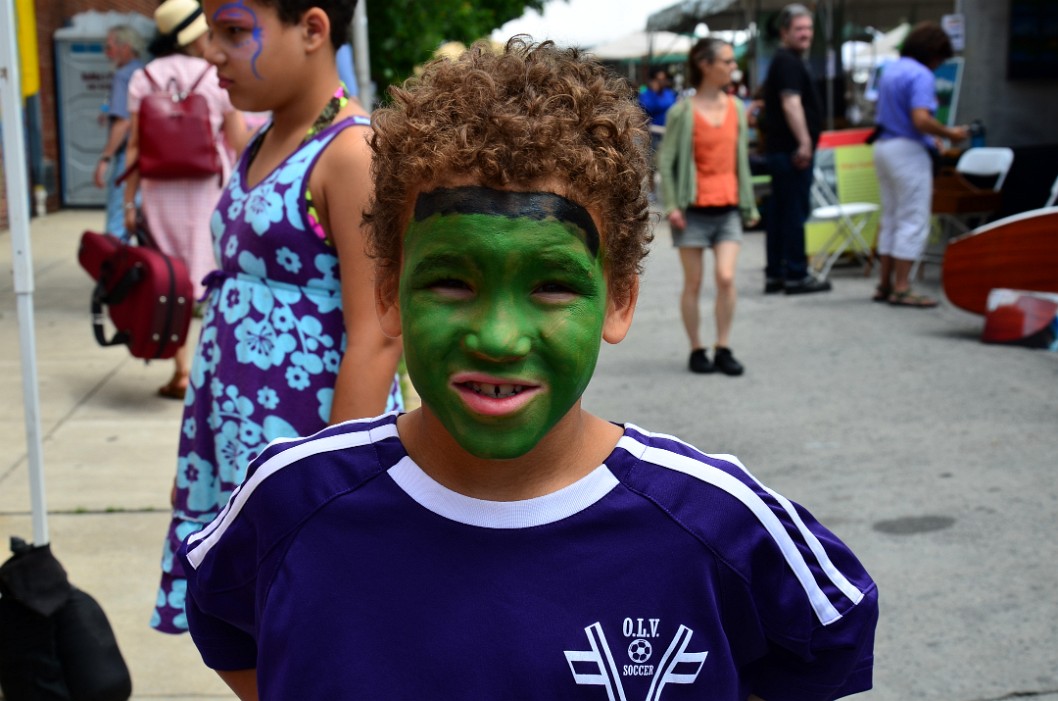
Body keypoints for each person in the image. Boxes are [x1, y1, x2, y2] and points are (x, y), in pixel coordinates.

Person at [179, 37, 878, 700]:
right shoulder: (291, 501)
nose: (499, 337)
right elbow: (228, 621)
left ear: (619, 298)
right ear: (390, 290)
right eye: (450, 280)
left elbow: (820, 646)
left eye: (552, 284)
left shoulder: (717, 524)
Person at [149, 0, 404, 635]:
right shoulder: (265, 137)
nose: (212, 52)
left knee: (309, 633)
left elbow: (376, 335)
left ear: (313, 30)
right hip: (240, 442)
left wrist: (334, 487)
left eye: (234, 32)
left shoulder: (351, 154)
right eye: (213, 32)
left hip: (303, 447)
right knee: (248, 630)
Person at [123, 0, 249, 399]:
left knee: (171, 283)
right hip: (208, 191)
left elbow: (135, 147)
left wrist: (129, 203)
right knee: (212, 277)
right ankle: (210, 369)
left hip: (159, 194)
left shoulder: (142, 77)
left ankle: (181, 373)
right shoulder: (216, 76)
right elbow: (239, 141)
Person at [658, 37, 760, 376]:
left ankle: (724, 345)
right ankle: (697, 348)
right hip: (691, 211)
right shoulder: (681, 112)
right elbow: (667, 159)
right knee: (694, 283)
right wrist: (672, 204)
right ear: (705, 64)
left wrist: (749, 202)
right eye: (728, 61)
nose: (734, 67)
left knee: (726, 277)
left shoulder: (736, 109)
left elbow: (740, 160)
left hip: (728, 206)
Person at [872, 22, 969, 307]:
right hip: (907, 151)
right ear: (933, 53)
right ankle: (902, 287)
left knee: (890, 217)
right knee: (912, 219)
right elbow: (920, 119)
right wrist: (950, 133)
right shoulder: (921, 75)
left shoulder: (891, 70)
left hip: (884, 147)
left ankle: (884, 284)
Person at [761, 3, 831, 295]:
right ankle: (796, 274)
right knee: (793, 213)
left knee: (780, 211)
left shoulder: (784, 60)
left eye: (809, 28)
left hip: (782, 151)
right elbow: (792, 103)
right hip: (792, 152)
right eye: (799, 29)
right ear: (784, 32)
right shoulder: (788, 61)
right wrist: (804, 142)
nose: (806, 34)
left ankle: (777, 273)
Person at [94, 25, 145, 241]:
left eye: (109, 47)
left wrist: (105, 158)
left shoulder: (123, 76)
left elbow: (123, 123)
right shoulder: (146, 71)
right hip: (153, 155)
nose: (106, 53)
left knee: (117, 224)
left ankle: (115, 273)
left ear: (126, 47)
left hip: (128, 156)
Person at [639, 67, 677, 195]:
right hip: (653, 133)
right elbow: (645, 109)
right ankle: (652, 190)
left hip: (668, 133)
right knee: (652, 165)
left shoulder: (669, 93)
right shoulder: (646, 94)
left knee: (668, 163)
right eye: (658, 79)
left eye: (663, 79)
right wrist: (654, 93)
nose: (661, 82)